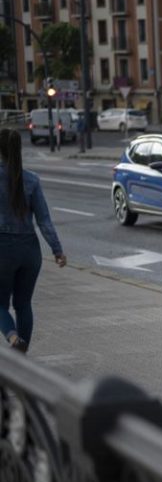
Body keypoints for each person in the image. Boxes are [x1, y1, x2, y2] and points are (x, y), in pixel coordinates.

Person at [0, 128, 66, 353]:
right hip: (30, 250)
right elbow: (44, 221)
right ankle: (22, 355)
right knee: (23, 304)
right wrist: (57, 250)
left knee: (0, 304)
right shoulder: (31, 180)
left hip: (3, 249)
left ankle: (12, 338)